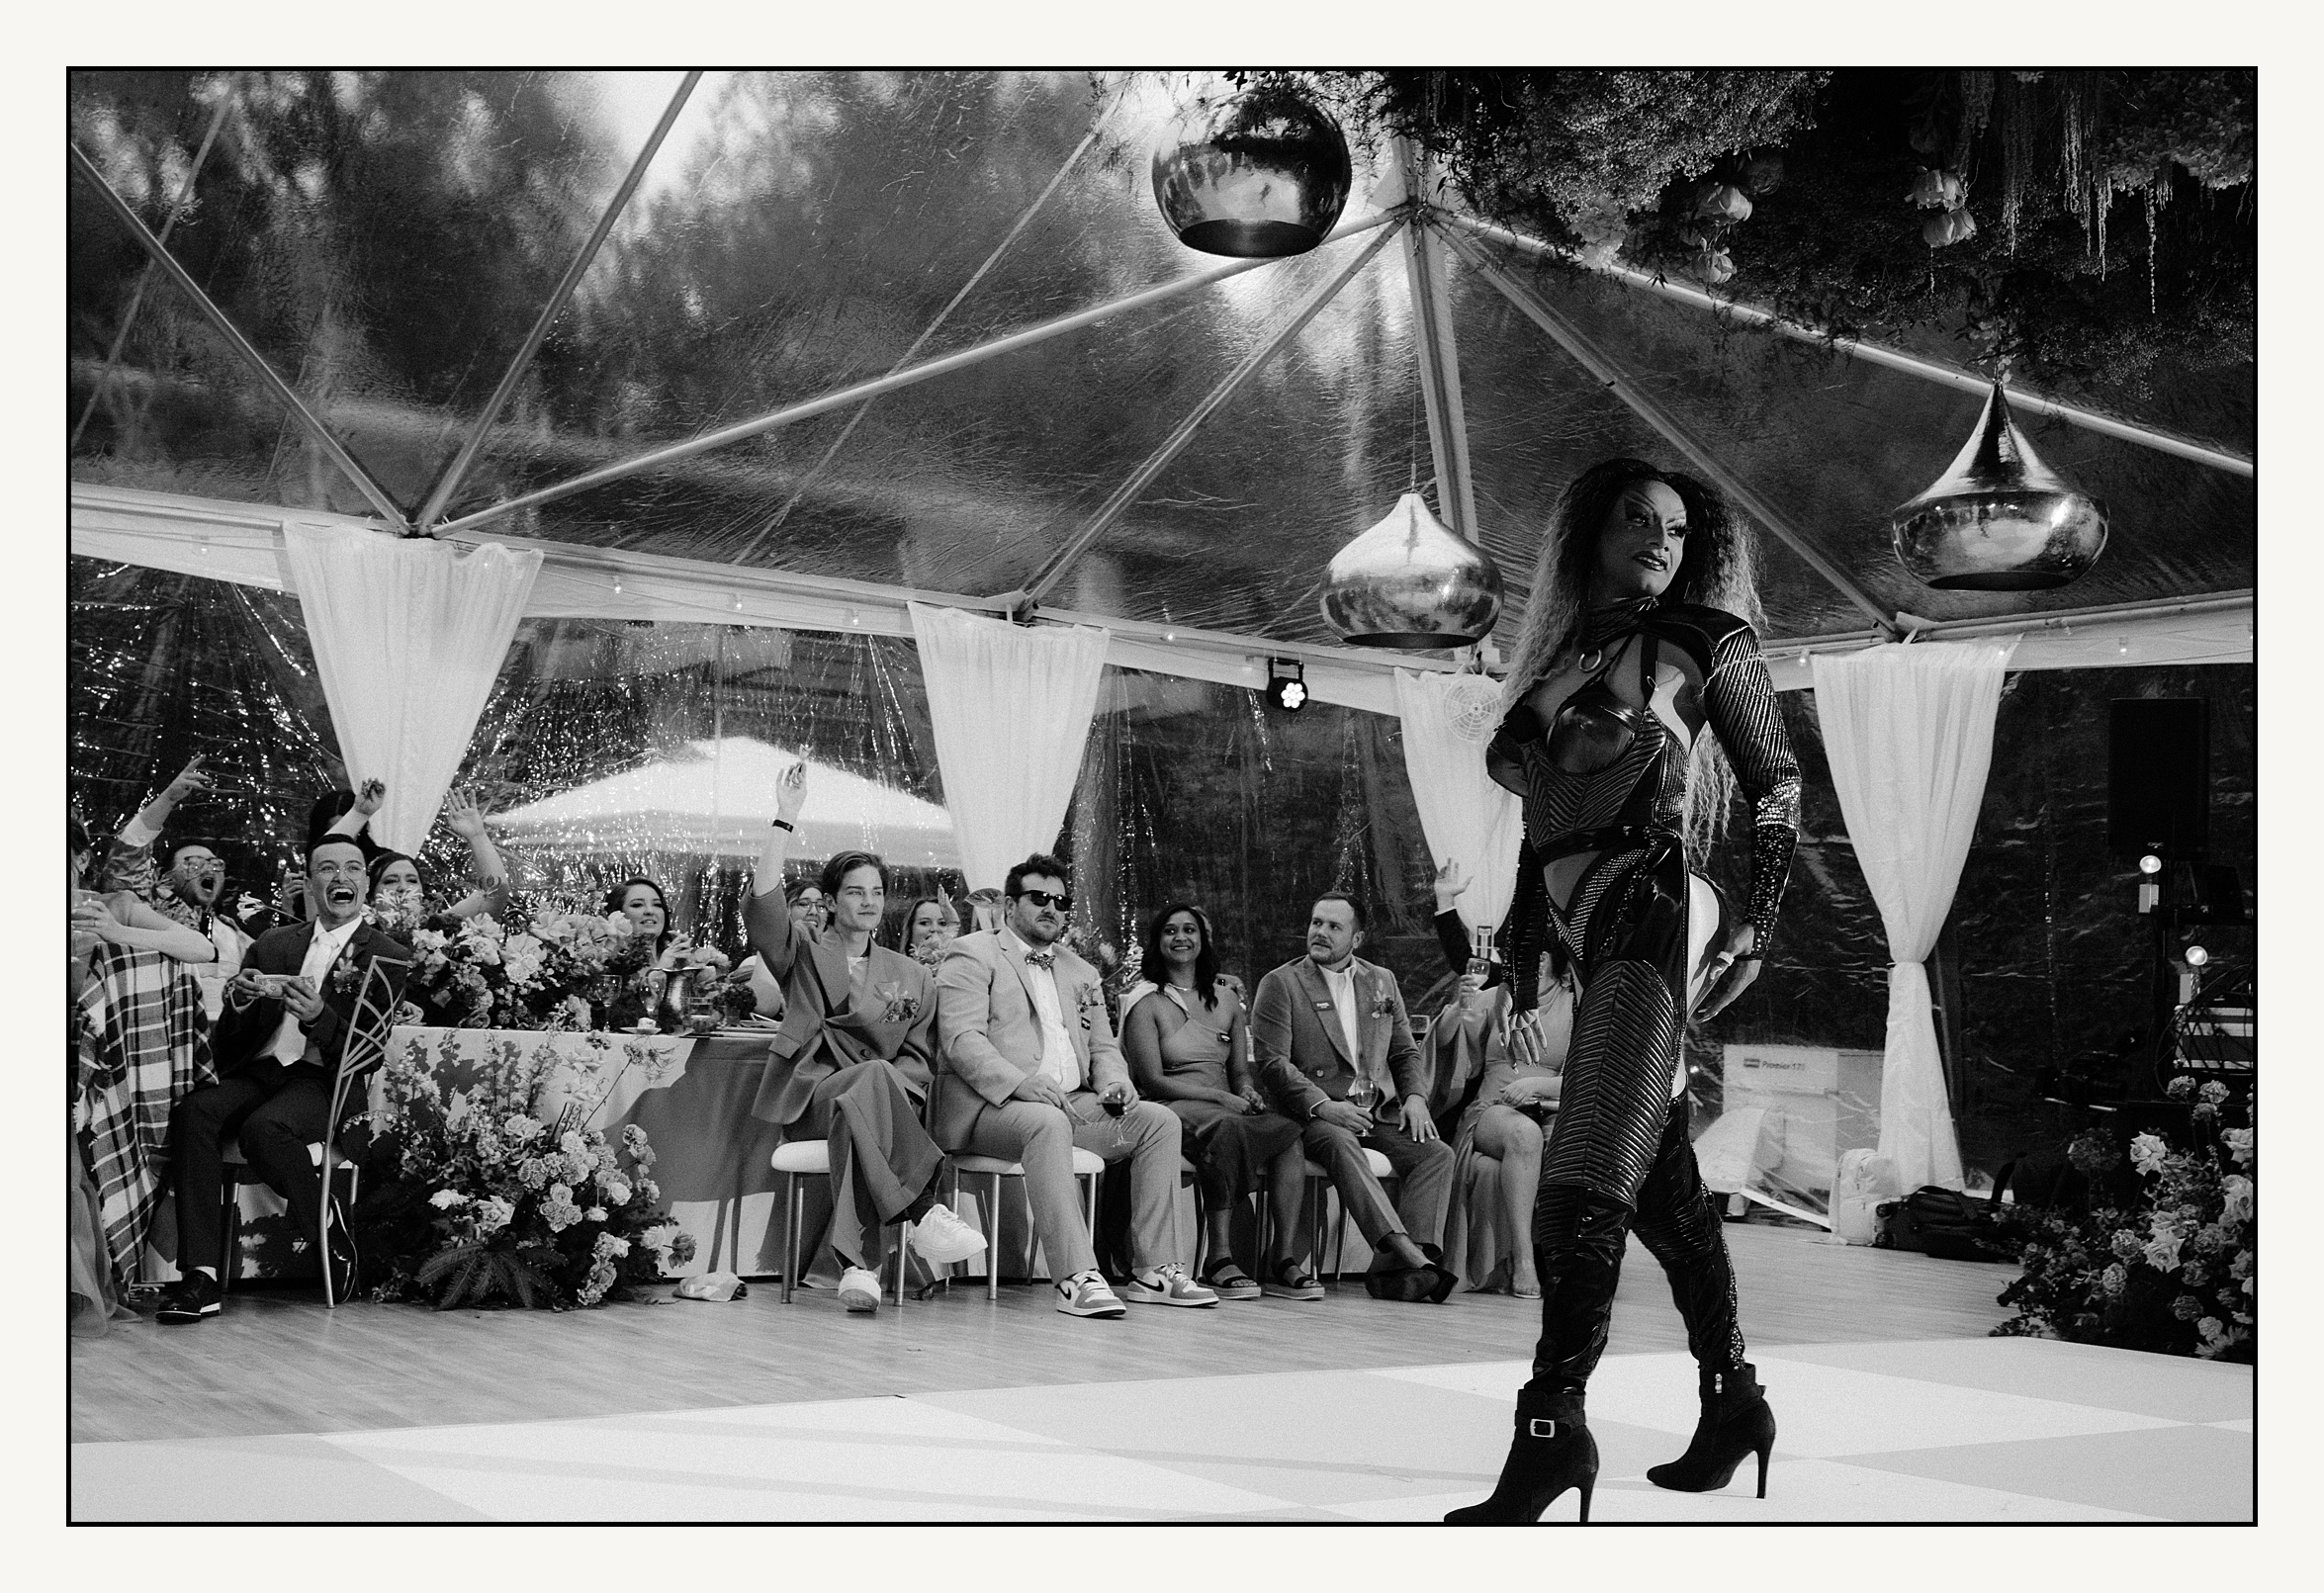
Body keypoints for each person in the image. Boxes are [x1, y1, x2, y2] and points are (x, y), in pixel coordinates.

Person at [1447, 457, 1800, 1524]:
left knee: (1581, 1178)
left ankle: (1551, 1427)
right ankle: (1734, 1399)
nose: (1661, 541)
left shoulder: (1704, 642)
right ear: (1587, 532)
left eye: (1680, 529)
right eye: (1638, 521)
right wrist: (1517, 944)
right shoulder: (1559, 659)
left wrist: (1760, 918)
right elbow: (1538, 819)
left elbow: (1776, 778)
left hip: (1655, 900)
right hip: (1583, 925)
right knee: (1663, 1191)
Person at [744, 763, 987, 1311]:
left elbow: (921, 1061)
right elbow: (762, 903)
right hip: (810, 1095)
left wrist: (886, 1084)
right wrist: (786, 816)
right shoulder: (802, 950)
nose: (869, 902)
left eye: (876, 892)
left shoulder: (913, 973)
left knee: (870, 1097)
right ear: (830, 901)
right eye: (854, 892)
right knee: (870, 1083)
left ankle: (859, 1269)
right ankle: (923, 1210)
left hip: (874, 1104)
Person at [933, 854, 1217, 1317]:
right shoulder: (973, 952)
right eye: (1038, 898)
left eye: (1061, 901)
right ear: (1009, 904)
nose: (1052, 908)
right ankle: (1076, 1276)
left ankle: (1156, 1271)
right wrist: (1022, 1083)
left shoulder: (1081, 971)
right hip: (990, 1106)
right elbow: (962, 1040)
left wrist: (1116, 1083)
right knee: (1047, 1123)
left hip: (1073, 1105)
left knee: (1158, 1121)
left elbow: (1104, 1049)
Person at [153, 835, 414, 1323]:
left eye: (353, 869)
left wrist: (320, 1018)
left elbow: (369, 1055)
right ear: (311, 882)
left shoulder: (388, 955)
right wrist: (242, 1001)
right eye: (328, 869)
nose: (341, 878)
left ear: (365, 882)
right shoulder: (274, 943)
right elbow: (231, 1040)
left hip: (325, 1081)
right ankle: (202, 1277)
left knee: (263, 1130)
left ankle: (325, 1221)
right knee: (195, 1112)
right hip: (261, 1068)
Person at [1250, 893, 1457, 1302]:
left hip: (1374, 1110)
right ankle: (1407, 1253)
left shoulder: (1382, 980)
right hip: (1311, 1115)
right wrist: (1326, 1106)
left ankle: (1396, 1274)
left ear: (1357, 938)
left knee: (1436, 1154)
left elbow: (1403, 1052)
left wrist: (1415, 1096)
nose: (1320, 933)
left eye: (1333, 926)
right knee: (1342, 1142)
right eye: (1316, 922)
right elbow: (1273, 1064)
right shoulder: (1281, 982)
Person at [1119, 904, 1313, 1301]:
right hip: (1170, 1106)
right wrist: (1220, 1096)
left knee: (1288, 1135)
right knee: (1226, 1129)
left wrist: (1245, 1091)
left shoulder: (1227, 1000)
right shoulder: (1146, 1002)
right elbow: (1151, 1079)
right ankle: (1219, 1257)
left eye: (1189, 930)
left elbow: (1240, 1071)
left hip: (1225, 1104)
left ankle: (1283, 1259)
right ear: (1157, 942)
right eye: (1170, 931)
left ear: (1203, 940)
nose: (1181, 938)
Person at [1428, 859, 1575, 1299]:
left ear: (1549, 960)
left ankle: (1572, 1262)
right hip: (1493, 1111)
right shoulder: (1499, 996)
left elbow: (1592, 1075)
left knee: (1575, 1145)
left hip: (1553, 1105)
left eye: (1528, 957)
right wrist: (1455, 1015)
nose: (1513, 964)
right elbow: (1450, 1043)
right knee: (1524, 1134)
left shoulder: (1579, 1004)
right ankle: (1523, 1261)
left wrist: (1539, 1087)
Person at [96, 753, 256, 1000]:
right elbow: (127, 858)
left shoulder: (233, 933)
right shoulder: (148, 910)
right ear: (164, 875)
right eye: (193, 864)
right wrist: (168, 799)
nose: (207, 870)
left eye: (215, 864)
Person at [356, 788, 512, 927]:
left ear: (422, 895)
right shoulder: (350, 935)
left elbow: (496, 893)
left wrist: (477, 836)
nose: (403, 888)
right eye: (390, 881)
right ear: (369, 898)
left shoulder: (438, 930)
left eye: (412, 880)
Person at [893, 895, 961, 959]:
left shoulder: (965, 968)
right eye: (924, 923)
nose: (934, 928)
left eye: (942, 923)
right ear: (910, 929)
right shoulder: (895, 968)